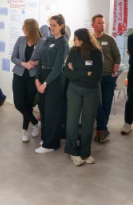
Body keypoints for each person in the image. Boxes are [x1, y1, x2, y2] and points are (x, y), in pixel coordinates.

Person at [64, 28, 103, 166]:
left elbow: (96, 76)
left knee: (88, 123)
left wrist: (76, 71)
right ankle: (73, 152)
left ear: (82, 40)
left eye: (75, 38)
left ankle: (85, 152)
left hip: (91, 92)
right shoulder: (73, 51)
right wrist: (85, 73)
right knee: (72, 121)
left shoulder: (96, 53)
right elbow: (67, 72)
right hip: (74, 90)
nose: (74, 41)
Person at [35, 15, 70, 154]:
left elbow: (58, 67)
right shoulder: (49, 39)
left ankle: (51, 144)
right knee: (43, 110)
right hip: (43, 77)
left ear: (61, 26)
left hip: (54, 80)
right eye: (51, 25)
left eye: (55, 25)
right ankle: (46, 138)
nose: (52, 28)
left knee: (52, 113)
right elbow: (40, 60)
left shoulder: (63, 43)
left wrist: (45, 83)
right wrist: (37, 79)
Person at [12, 19, 46, 142]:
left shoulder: (42, 42)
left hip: (33, 77)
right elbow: (13, 57)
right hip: (19, 75)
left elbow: (45, 59)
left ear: (30, 28)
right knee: (18, 103)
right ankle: (36, 123)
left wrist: (35, 63)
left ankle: (24, 130)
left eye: (24, 26)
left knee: (28, 104)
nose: (22, 28)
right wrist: (24, 64)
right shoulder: (21, 39)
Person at [92, 14, 121, 144]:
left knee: (107, 103)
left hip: (109, 77)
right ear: (93, 25)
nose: (102, 25)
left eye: (103, 23)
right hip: (95, 77)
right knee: (96, 103)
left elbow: (117, 56)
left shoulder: (109, 39)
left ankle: (101, 129)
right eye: (99, 23)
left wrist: (114, 72)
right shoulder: (90, 40)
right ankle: (103, 128)